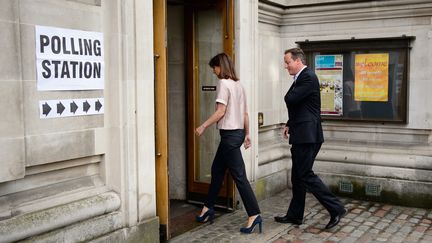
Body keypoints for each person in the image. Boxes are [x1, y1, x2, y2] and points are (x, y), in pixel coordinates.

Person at [274, 47, 346, 229]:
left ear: (298, 61)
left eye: (288, 62)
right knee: (297, 177)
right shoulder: (300, 78)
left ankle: (336, 208)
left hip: (307, 136)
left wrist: (291, 102)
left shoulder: (307, 77)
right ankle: (295, 215)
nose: (285, 66)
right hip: (302, 133)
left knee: (305, 174)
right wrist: (290, 123)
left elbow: (290, 99)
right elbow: (302, 106)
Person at [195, 53, 262, 234]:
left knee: (239, 176)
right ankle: (208, 207)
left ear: (220, 67)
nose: (213, 71)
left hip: (230, 136)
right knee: (217, 170)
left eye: (214, 67)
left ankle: (254, 214)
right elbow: (245, 114)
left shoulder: (224, 84)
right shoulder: (239, 85)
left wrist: (203, 125)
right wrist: (247, 134)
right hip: (237, 134)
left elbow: (220, 112)